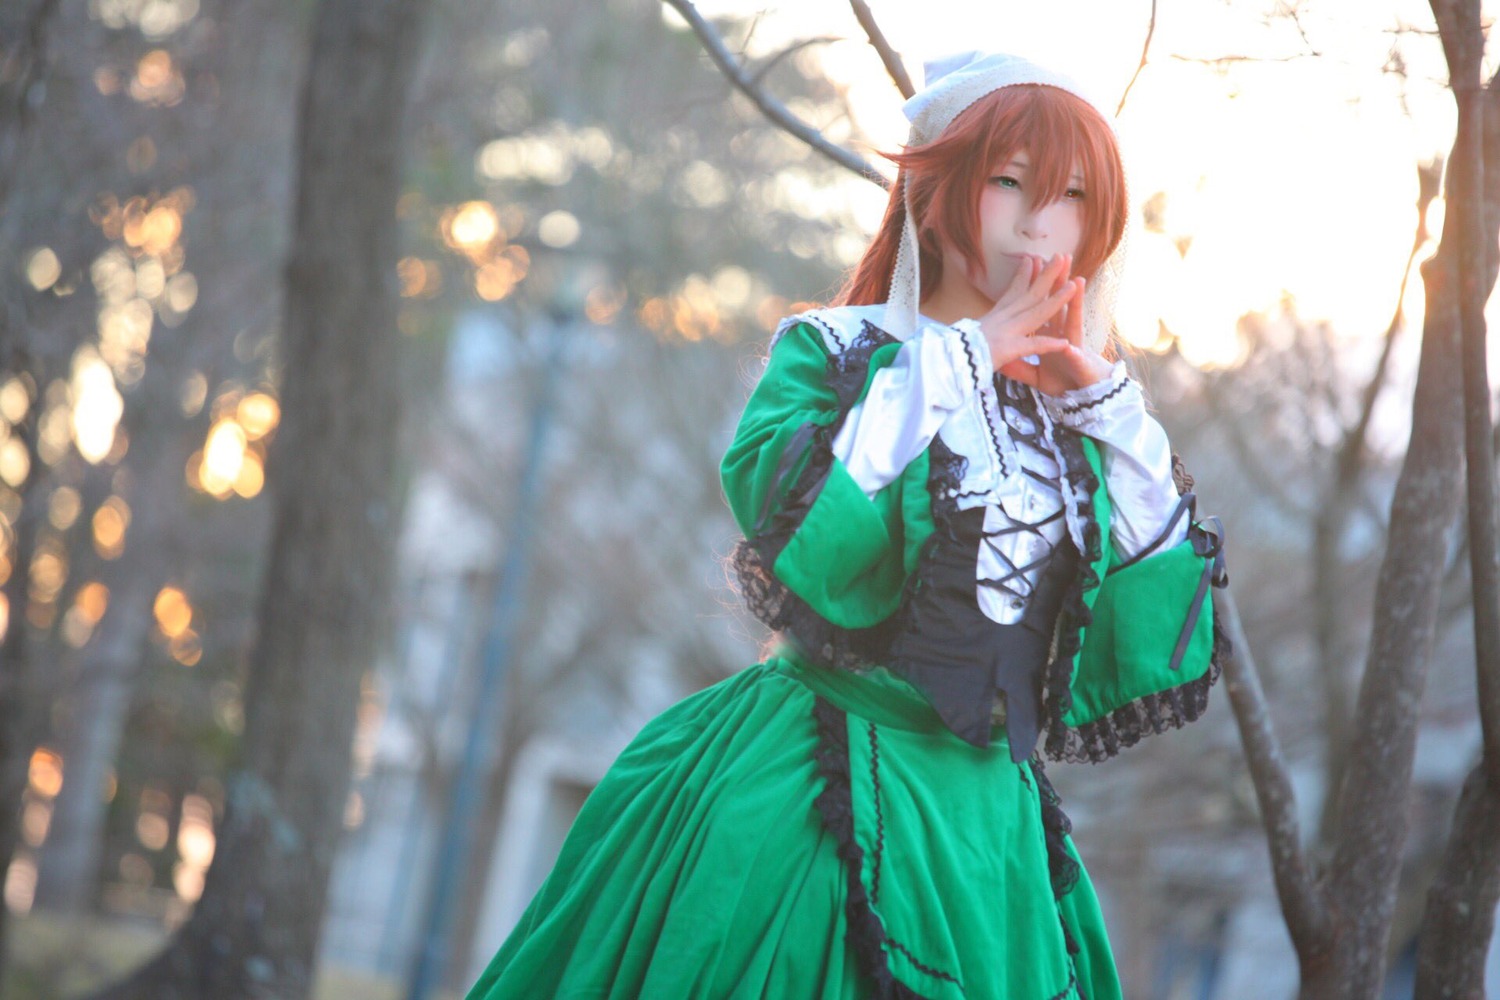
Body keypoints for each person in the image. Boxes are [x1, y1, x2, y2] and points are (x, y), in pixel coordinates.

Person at [465, 51, 1227, 1000]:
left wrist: (1116, 420)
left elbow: (1142, 636)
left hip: (986, 836)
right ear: (942, 188)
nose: (1040, 221)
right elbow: (794, 508)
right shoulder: (841, 355)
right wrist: (959, 362)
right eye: (1010, 182)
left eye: (1072, 195)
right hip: (810, 788)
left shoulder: (1079, 420)